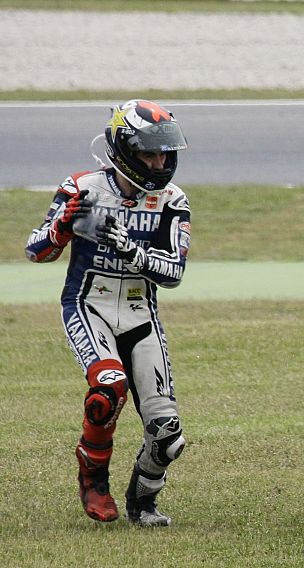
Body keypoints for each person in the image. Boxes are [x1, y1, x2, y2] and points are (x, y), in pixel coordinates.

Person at [25, 99, 191, 527]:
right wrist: (62, 226)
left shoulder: (174, 201)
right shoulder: (82, 187)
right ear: (122, 149)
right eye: (148, 153)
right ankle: (93, 478)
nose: (158, 162)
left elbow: (173, 272)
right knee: (108, 391)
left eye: (164, 153)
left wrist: (130, 249)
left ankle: (144, 500)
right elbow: (36, 251)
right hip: (87, 305)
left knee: (168, 434)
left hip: (140, 313)